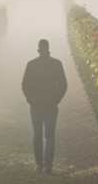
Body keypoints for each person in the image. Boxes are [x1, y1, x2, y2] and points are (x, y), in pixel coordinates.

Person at [21, 38, 67, 172]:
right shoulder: (57, 64)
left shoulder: (31, 64)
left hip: (35, 105)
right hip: (51, 105)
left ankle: (39, 165)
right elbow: (63, 84)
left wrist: (30, 99)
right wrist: (57, 99)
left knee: (37, 135)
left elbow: (25, 85)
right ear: (48, 49)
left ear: (38, 50)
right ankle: (47, 166)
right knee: (50, 136)